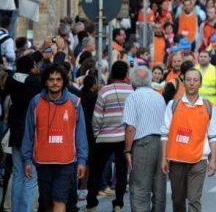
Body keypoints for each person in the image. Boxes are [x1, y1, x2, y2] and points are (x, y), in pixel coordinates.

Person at [21, 63, 88, 212]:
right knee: (47, 204)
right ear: (45, 81)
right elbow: (29, 133)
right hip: (42, 163)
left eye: (58, 79)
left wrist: (82, 160)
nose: (55, 82)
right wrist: (26, 160)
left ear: (64, 81)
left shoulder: (74, 102)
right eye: (51, 79)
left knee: (59, 199)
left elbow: (81, 134)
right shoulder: (36, 102)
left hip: (67, 163)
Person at [160, 68, 216, 212]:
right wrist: (164, 158)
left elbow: (213, 136)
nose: (192, 83)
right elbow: (164, 133)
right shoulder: (172, 105)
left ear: (200, 84)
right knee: (178, 200)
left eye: (195, 80)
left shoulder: (209, 107)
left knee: (193, 200)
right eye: (188, 80)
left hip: (199, 160)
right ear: (184, 83)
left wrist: (213, 160)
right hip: (176, 159)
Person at [86, 60, 134, 211]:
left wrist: (97, 134)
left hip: (104, 137)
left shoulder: (105, 90)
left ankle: (91, 204)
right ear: (126, 74)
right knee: (121, 172)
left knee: (96, 170)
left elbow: (97, 117)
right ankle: (118, 203)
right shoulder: (131, 91)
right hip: (123, 138)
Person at [123, 66, 168, 212]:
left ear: (132, 81)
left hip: (143, 144)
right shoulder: (158, 96)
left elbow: (130, 127)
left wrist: (127, 150)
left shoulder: (133, 97)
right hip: (161, 143)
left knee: (140, 188)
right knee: (159, 187)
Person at [6, 56, 41, 212]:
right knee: (30, 177)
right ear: (31, 68)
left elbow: (23, 65)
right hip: (30, 134)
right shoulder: (33, 83)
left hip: (15, 133)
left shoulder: (11, 80)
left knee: (18, 173)